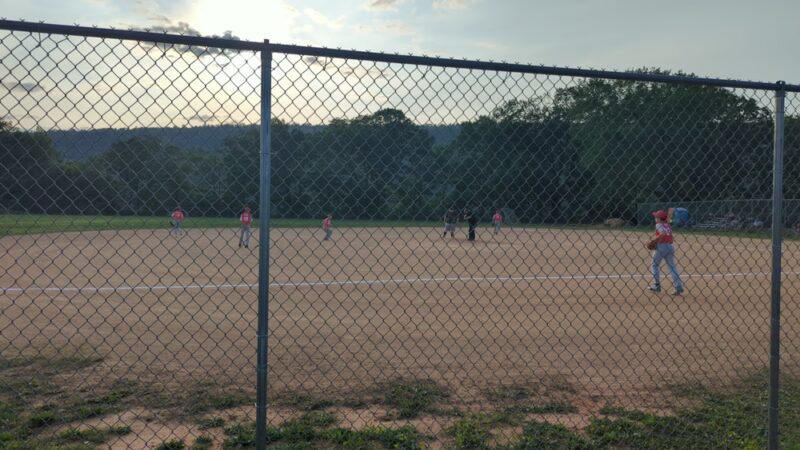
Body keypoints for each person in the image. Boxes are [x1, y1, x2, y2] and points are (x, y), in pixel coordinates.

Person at [648, 210, 684, 295]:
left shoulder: (658, 225)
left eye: (656, 217)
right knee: (672, 267)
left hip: (661, 247)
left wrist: (654, 240)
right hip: (670, 246)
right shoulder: (667, 225)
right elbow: (670, 237)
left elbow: (662, 233)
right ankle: (678, 286)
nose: (655, 218)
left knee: (654, 265)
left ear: (659, 219)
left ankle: (657, 286)